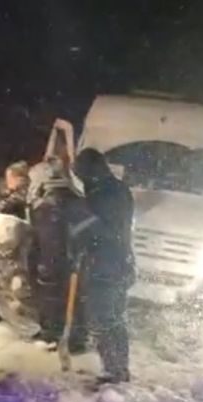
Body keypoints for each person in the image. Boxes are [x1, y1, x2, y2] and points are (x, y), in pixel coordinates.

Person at [70, 148, 135, 384]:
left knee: (104, 317)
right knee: (114, 317)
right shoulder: (116, 189)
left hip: (106, 264)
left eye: (81, 173)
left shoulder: (105, 194)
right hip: (118, 261)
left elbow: (100, 230)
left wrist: (79, 221)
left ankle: (114, 370)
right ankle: (118, 368)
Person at [26, 155, 85, 343]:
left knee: (53, 294)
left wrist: (43, 265)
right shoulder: (75, 198)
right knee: (70, 296)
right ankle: (72, 334)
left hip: (53, 260)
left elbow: (48, 238)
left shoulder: (49, 204)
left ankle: (54, 333)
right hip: (71, 259)